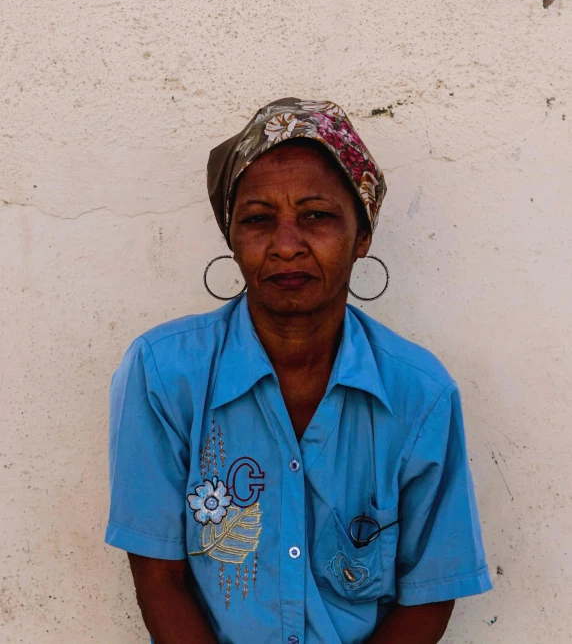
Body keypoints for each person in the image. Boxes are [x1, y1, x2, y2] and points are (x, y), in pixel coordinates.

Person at [105, 97, 493, 644]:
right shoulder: (164, 373)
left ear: (362, 236)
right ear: (232, 238)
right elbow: (159, 578)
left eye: (317, 216)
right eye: (259, 220)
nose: (286, 246)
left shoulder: (419, 394)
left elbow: (429, 593)